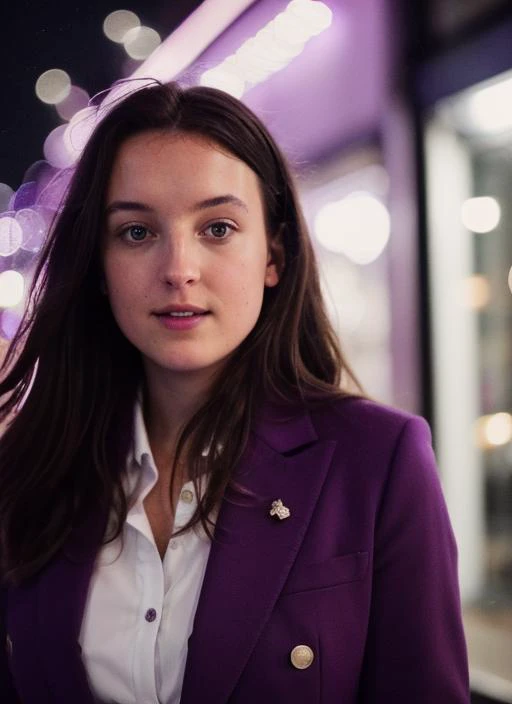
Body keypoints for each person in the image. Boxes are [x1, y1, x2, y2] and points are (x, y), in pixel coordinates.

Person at [0, 80, 469, 704]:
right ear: (99, 267)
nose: (179, 269)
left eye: (217, 228)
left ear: (272, 254)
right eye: (137, 232)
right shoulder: (31, 469)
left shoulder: (377, 460)